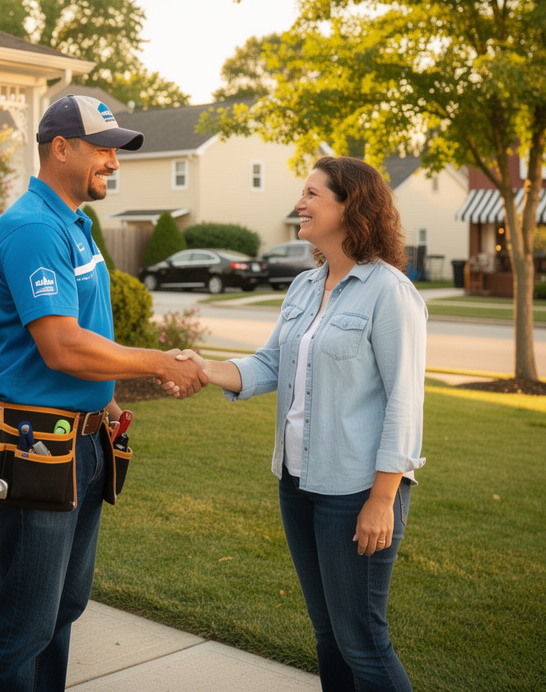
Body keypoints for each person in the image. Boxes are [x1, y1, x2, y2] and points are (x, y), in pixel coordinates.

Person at [0, 94, 206, 692]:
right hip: (36, 445)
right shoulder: (31, 229)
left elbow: (87, 333)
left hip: (83, 441)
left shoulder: (73, 225)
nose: (114, 162)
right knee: (25, 619)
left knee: (63, 607)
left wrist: (106, 401)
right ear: (60, 148)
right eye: (103, 149)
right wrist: (158, 364)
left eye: (116, 151)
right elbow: (62, 347)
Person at [191, 156, 427, 691]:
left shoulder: (389, 291)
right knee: (327, 635)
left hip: (356, 491)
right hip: (297, 484)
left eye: (312, 194)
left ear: (351, 207)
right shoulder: (303, 287)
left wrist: (382, 499)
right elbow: (269, 363)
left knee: (363, 642)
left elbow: (404, 403)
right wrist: (204, 370)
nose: (300, 203)